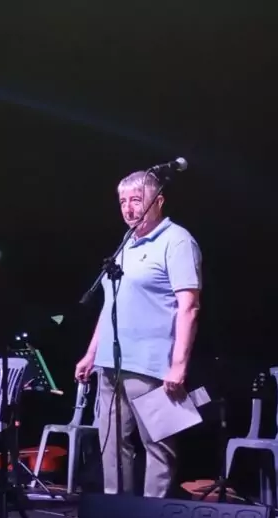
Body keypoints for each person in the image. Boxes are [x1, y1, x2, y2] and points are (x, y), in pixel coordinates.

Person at [75, 170, 202, 498]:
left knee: (158, 446)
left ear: (158, 201)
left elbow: (189, 306)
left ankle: (152, 517)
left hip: (151, 364)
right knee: (112, 445)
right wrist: (91, 353)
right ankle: (117, 514)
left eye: (136, 200)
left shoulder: (177, 240)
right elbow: (111, 305)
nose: (129, 209)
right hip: (110, 363)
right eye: (122, 202)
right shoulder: (125, 244)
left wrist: (178, 365)